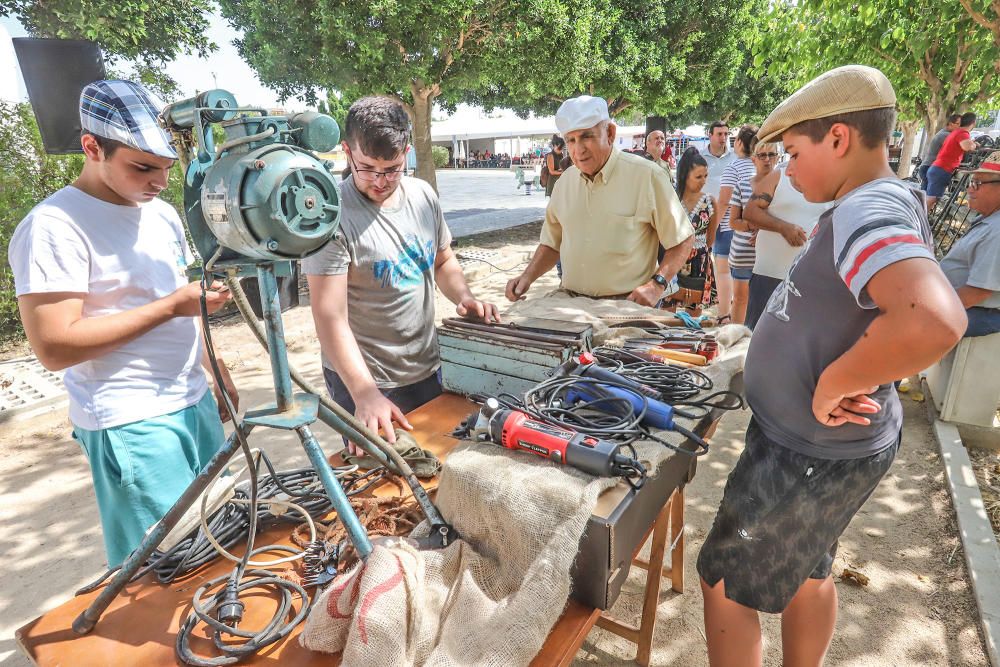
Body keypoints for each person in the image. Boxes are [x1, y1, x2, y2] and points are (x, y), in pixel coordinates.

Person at [697, 65, 967, 667]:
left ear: (839, 138)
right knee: (808, 567)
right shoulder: (878, 199)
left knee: (724, 582)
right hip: (814, 444)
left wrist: (838, 379)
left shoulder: (865, 208)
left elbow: (934, 319)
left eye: (793, 152)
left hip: (807, 452)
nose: (787, 168)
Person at [7, 80, 239, 567]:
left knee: (220, 540)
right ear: (92, 147)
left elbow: (181, 300)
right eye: (141, 167)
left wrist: (212, 368)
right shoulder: (54, 226)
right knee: (165, 567)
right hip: (131, 418)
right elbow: (54, 346)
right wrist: (170, 307)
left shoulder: (161, 215)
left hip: (191, 399)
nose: (158, 181)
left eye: (165, 169)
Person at [303, 97, 499, 452]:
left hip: (426, 366)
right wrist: (364, 393)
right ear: (347, 151)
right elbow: (329, 315)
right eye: (367, 169)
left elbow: (442, 260)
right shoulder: (332, 216)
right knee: (382, 479)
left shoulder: (423, 196)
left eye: (392, 169)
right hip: (364, 380)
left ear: (406, 152)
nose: (380, 182)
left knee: (440, 458)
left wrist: (464, 297)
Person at [505, 95, 694, 305]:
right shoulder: (565, 182)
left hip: (627, 305)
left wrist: (657, 284)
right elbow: (552, 244)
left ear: (610, 134)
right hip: (570, 302)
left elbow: (683, 239)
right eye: (571, 140)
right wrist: (527, 277)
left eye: (587, 137)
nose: (578, 149)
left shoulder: (647, 176)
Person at [742, 149, 831, 329]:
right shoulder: (778, 177)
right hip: (768, 274)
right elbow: (750, 212)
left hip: (807, 279)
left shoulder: (830, 185)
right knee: (755, 334)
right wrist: (783, 228)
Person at [940, 150, 1000, 337]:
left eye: (977, 183)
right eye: (971, 182)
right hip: (968, 306)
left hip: (976, 312)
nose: (970, 189)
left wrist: (934, 308)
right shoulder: (990, 221)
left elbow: (977, 293)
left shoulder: (996, 230)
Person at [667, 147, 719, 311]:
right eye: (698, 177)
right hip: (671, 260)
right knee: (666, 310)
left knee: (693, 313)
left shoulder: (710, 202)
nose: (703, 180)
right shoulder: (671, 199)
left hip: (699, 262)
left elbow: (711, 238)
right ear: (685, 176)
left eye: (705, 176)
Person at [719, 124, 759, 324]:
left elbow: (724, 201)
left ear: (740, 143)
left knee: (734, 287)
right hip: (759, 239)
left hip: (732, 233)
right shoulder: (765, 171)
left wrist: (714, 227)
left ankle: (726, 319)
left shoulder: (734, 167)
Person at [701, 121, 738, 322]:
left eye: (726, 133)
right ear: (710, 135)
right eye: (720, 134)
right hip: (705, 216)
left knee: (725, 266)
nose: (723, 137)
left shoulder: (735, 158)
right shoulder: (699, 156)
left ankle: (726, 308)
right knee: (707, 263)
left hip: (728, 219)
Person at [925, 112, 977, 211]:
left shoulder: (955, 132)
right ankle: (916, 220)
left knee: (931, 199)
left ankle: (921, 220)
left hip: (937, 168)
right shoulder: (963, 133)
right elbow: (967, 146)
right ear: (973, 123)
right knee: (931, 199)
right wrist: (974, 144)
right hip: (942, 169)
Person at [918, 113, 961, 190]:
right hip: (929, 167)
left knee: (925, 197)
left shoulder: (943, 132)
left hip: (927, 167)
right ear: (951, 124)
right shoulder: (946, 135)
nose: (960, 127)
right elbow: (961, 146)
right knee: (928, 198)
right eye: (958, 124)